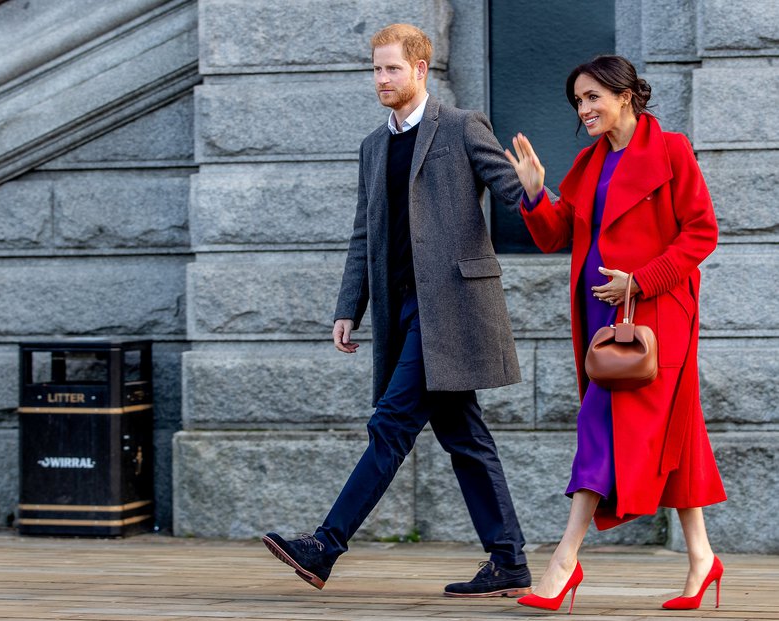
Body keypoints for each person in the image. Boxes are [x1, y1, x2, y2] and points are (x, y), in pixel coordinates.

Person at [262, 23, 533, 598]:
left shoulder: (461, 127)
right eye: (376, 68)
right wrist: (348, 307)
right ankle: (509, 560)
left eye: (391, 68)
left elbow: (513, 194)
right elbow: (365, 233)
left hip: (454, 310)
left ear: (419, 69)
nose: (381, 78)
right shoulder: (373, 146)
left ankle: (325, 545)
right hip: (402, 310)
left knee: (390, 425)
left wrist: (533, 189)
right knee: (464, 437)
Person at [505, 55, 727, 613]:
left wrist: (642, 280)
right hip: (604, 319)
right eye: (578, 102)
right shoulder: (588, 162)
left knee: (599, 423)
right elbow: (556, 237)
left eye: (592, 98)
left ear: (625, 95)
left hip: (655, 316)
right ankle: (702, 557)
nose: (583, 110)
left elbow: (702, 231)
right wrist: (535, 193)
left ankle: (563, 561)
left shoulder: (671, 149)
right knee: (676, 430)